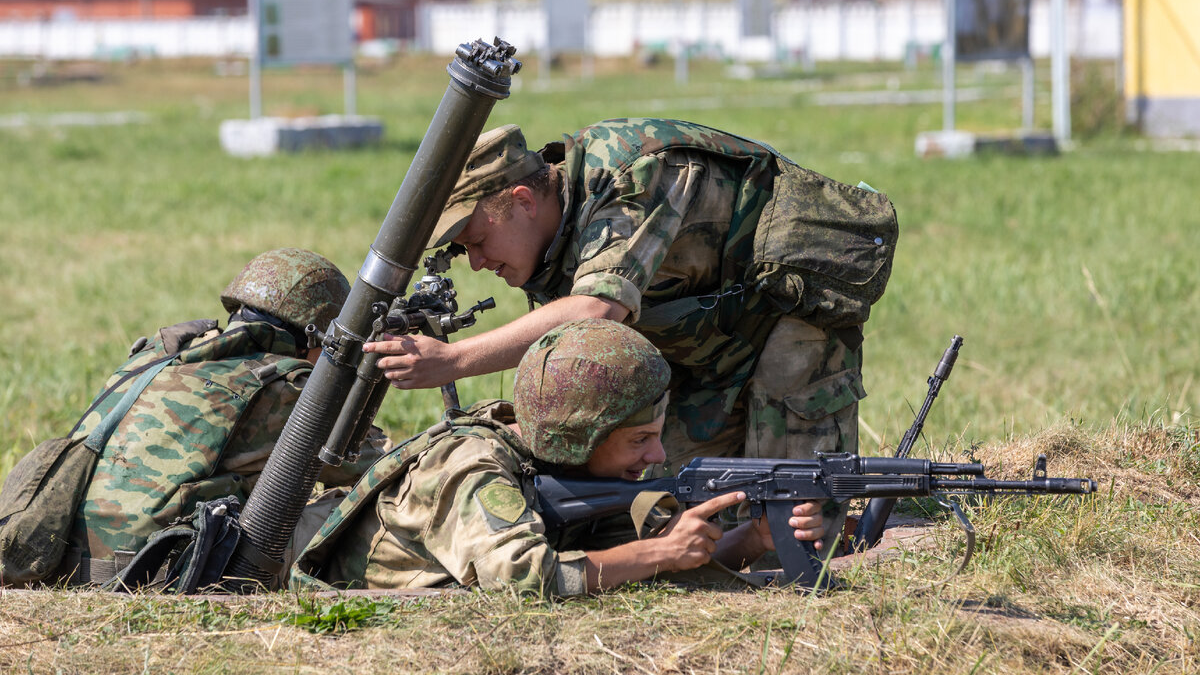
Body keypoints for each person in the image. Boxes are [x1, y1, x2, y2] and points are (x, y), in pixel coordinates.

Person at [364, 119, 896, 552]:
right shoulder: (549, 248)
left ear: (524, 201)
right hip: (702, 353)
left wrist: (452, 361)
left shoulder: (632, 175)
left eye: (477, 240)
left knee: (796, 529)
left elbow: (599, 308)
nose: (477, 262)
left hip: (787, 321)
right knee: (685, 519)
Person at [292, 318, 828, 595]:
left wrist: (754, 539)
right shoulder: (472, 464)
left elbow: (649, 567)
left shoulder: (575, 470)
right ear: (577, 436)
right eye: (639, 439)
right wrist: (657, 554)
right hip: (278, 563)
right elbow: (521, 578)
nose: (658, 454)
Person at [56, 248, 389, 586]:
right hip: (164, 578)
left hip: (63, 564)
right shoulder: (285, 390)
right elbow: (376, 468)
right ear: (312, 336)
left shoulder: (157, 356)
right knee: (363, 512)